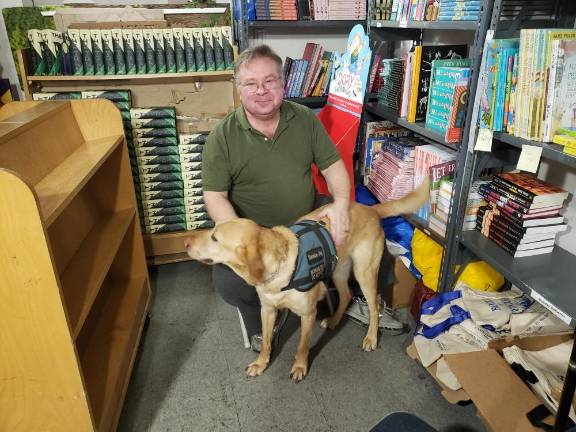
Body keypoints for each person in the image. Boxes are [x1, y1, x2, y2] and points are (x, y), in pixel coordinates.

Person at [201, 45, 351, 350]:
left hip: (305, 220)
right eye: (251, 84)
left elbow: (334, 169)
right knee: (230, 281)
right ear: (238, 89)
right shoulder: (222, 136)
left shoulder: (305, 118)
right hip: (258, 231)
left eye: (270, 81)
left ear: (283, 84)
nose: (261, 91)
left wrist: (342, 205)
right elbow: (214, 196)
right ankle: (261, 319)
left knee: (357, 222)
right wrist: (242, 238)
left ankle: (353, 295)